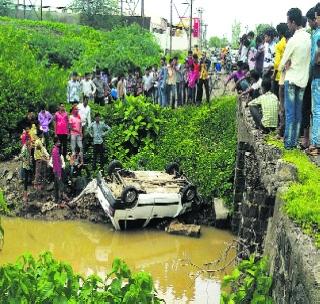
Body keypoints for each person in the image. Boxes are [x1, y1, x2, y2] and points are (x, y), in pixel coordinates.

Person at [279, 7, 311, 150]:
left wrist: (286, 64)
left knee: (290, 112)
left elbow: (280, 65)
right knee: (298, 113)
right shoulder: (309, 38)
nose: (287, 25)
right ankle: (294, 142)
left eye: (288, 22)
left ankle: (289, 143)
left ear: (292, 22)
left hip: (291, 79)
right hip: (303, 81)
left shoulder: (293, 40)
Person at [308, 3, 320, 155]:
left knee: (317, 110)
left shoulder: (318, 34)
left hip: (318, 74)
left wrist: (316, 58)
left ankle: (316, 144)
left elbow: (317, 58)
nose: (316, 20)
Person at [51, 136, 65, 204]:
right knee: (60, 185)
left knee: (56, 185)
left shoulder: (55, 149)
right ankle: (60, 199)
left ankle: (56, 199)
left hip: (55, 170)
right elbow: (56, 163)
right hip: (57, 171)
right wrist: (59, 173)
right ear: (56, 142)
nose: (59, 143)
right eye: (58, 142)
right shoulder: (55, 151)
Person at [19, 136, 32, 203]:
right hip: (26, 166)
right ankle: (25, 196)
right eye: (29, 140)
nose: (30, 141)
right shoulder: (24, 148)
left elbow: (29, 155)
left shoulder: (27, 146)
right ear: (26, 140)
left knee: (29, 179)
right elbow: (20, 156)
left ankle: (26, 194)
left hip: (28, 166)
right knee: (26, 181)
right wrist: (26, 161)